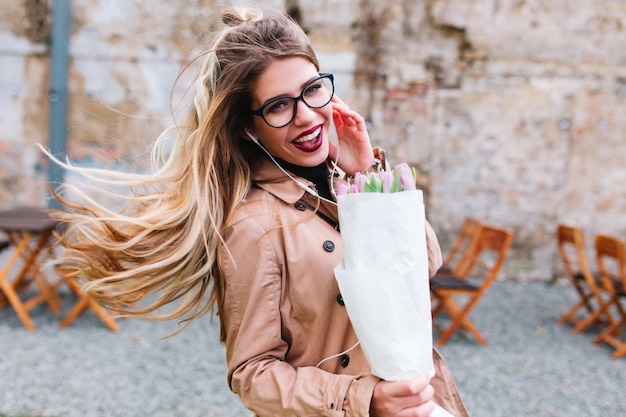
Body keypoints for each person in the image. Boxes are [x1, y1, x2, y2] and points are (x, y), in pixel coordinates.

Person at [50, 6, 469, 417]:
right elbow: (252, 374)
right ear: (249, 127)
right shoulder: (255, 226)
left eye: (313, 89)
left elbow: (425, 267)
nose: (306, 116)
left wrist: (367, 177)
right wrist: (363, 401)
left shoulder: (348, 179)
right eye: (278, 106)